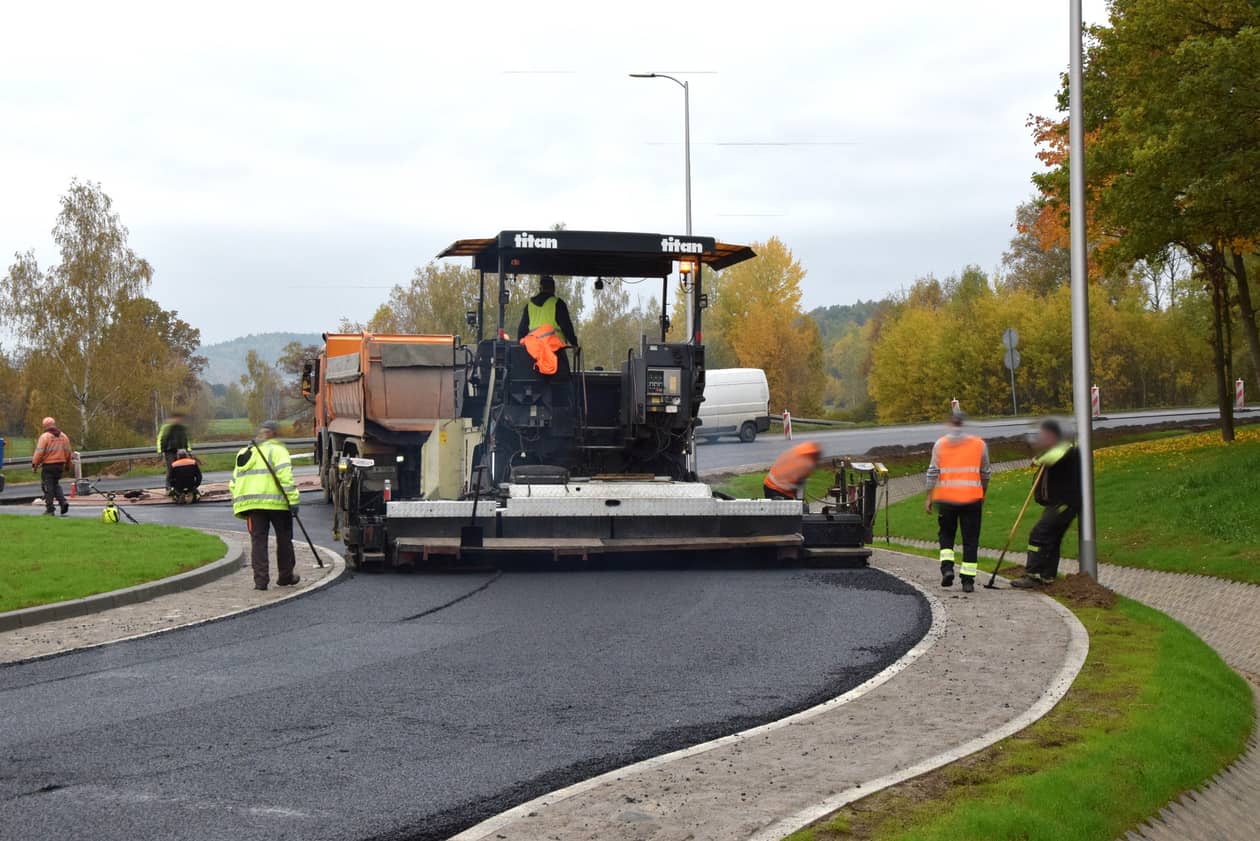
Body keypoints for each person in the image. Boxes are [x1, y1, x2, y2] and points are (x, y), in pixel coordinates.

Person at [230, 421, 300, 591]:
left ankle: (260, 581)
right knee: (284, 539)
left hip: (253, 505)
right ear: (275, 434)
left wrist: (242, 500)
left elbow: (233, 482)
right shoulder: (278, 450)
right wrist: (293, 500)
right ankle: (285, 576)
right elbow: (285, 477)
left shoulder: (244, 452)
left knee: (258, 541)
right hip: (278, 503)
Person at [925, 411, 991, 593]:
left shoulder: (941, 444)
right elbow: (985, 473)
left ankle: (947, 569)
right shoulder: (979, 444)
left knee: (946, 535)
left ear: (950, 424)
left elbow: (932, 472)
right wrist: (982, 492)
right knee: (970, 539)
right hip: (972, 498)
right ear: (964, 424)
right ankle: (968, 580)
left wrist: (929, 496)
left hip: (947, 498)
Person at [1012, 420, 1082, 589]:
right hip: (1059, 503)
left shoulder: (1064, 448)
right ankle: (1047, 575)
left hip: (1063, 503)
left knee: (1039, 535)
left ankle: (1033, 575)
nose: (1040, 438)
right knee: (1052, 539)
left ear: (1052, 435)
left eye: (1043, 435)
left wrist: (1037, 459)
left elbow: (1051, 457)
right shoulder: (1059, 449)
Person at [518, 275, 578, 348]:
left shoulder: (529, 306)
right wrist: (574, 344)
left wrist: (521, 349)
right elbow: (567, 327)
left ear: (540, 288)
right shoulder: (558, 304)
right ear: (553, 289)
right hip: (555, 350)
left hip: (535, 351)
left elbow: (521, 332)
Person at [31, 417, 72, 516]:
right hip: (60, 465)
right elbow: (68, 452)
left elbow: (39, 452)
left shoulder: (45, 437)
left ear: (44, 426)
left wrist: (34, 464)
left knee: (47, 487)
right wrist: (68, 465)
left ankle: (50, 509)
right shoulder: (63, 436)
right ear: (54, 424)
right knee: (55, 484)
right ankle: (63, 503)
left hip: (48, 466)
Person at [157, 411, 191, 492]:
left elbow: (186, 439)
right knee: (171, 468)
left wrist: (188, 449)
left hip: (181, 450)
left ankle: (180, 486)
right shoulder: (166, 427)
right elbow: (160, 438)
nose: (178, 420)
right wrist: (160, 450)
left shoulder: (182, 428)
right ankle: (168, 487)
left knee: (182, 469)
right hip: (169, 451)